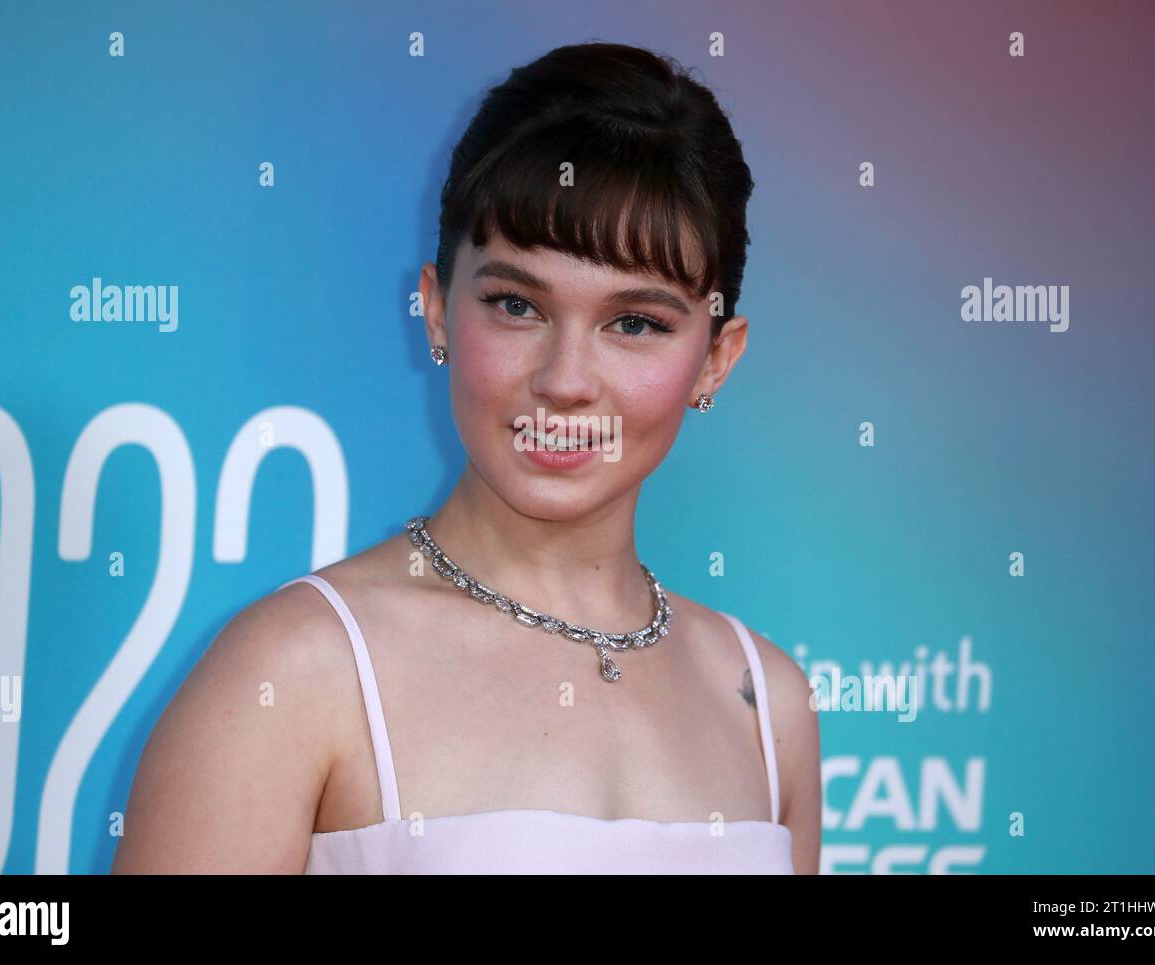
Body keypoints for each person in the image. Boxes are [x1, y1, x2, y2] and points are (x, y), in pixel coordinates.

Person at [112, 40, 820, 874]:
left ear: (715, 357)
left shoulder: (768, 704)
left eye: (636, 323)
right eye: (517, 304)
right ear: (439, 310)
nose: (565, 382)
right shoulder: (296, 671)